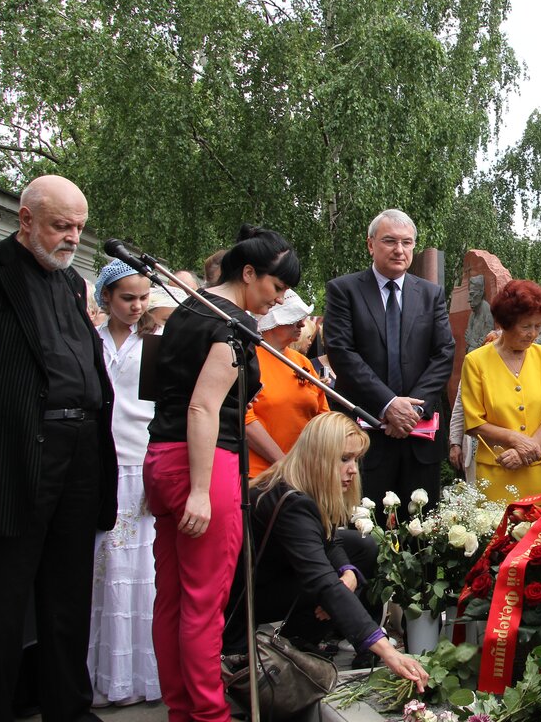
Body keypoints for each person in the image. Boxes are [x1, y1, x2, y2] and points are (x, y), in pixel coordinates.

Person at [144, 224, 299, 722]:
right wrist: (201, 489)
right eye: (275, 289)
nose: (274, 304)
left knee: (171, 598)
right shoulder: (233, 323)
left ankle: (181, 710)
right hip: (204, 463)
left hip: (163, 458)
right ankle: (209, 714)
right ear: (249, 273)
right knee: (204, 604)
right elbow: (202, 408)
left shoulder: (188, 308)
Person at [0, 175, 118, 722]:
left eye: (79, 227)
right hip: (17, 453)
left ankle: (68, 708)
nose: (71, 238)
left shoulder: (72, 284)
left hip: (80, 450)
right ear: (25, 220)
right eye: (61, 226)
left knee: (68, 594)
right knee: (1, 600)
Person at [222, 412, 428, 691]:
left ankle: (300, 639)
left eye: (355, 459)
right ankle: (290, 643)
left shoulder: (300, 484)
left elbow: (330, 541)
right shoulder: (292, 503)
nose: (353, 469)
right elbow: (320, 580)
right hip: (245, 601)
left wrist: (348, 572)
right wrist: (387, 651)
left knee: (363, 548)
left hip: (275, 577)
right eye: (344, 459)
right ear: (318, 456)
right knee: (329, 587)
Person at [324, 209, 455, 521]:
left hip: (419, 436)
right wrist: (388, 404)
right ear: (371, 245)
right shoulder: (344, 291)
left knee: (423, 536)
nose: (399, 249)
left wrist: (411, 411)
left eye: (407, 243)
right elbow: (342, 353)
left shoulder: (431, 294)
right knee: (367, 530)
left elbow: (443, 353)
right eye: (390, 241)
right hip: (365, 436)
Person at [88, 261, 160, 708]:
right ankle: (97, 677)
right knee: (100, 573)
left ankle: (140, 676)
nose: (136, 306)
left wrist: (157, 469)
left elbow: (161, 410)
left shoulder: (155, 345)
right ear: (106, 298)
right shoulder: (88, 341)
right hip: (96, 463)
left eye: (142, 298)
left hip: (139, 464)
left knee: (140, 575)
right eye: (126, 298)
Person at [461, 280, 541, 503]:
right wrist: (516, 440)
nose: (533, 334)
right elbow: (473, 422)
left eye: (538, 326)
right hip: (499, 468)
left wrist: (527, 450)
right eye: (526, 326)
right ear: (505, 324)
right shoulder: (475, 361)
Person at [245, 290, 331, 478]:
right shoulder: (249, 359)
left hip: (304, 472)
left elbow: (323, 415)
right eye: (293, 318)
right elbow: (245, 421)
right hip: (260, 475)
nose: (302, 323)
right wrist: (284, 464)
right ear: (273, 321)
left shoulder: (302, 362)